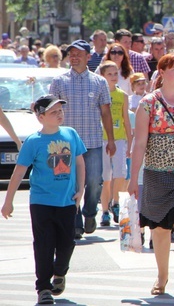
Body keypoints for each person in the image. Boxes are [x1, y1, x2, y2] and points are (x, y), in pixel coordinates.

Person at [1, 95, 86, 305]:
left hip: (67, 201)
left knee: (67, 244)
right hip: (41, 202)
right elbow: (19, 172)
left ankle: (59, 272)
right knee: (44, 245)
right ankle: (43, 288)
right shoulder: (33, 141)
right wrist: (8, 200)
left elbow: (80, 163)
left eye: (60, 111)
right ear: (40, 117)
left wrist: (80, 190)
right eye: (53, 112)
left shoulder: (71, 134)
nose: (59, 115)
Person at [128, 53, 174, 299]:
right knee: (159, 229)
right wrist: (133, 177)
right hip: (156, 174)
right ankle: (162, 276)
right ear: (162, 73)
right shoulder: (148, 102)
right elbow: (139, 143)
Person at [49, 39, 115, 238]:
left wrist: (111, 140)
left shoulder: (99, 82)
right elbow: (52, 110)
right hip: (64, 144)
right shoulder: (59, 81)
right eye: (72, 53)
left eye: (79, 53)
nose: (74, 57)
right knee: (69, 182)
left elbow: (106, 113)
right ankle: (75, 219)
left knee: (95, 181)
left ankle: (90, 212)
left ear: (88, 57)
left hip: (92, 142)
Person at [98, 61, 133, 228]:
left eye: (115, 73)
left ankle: (116, 202)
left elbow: (126, 119)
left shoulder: (122, 95)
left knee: (120, 174)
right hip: (102, 139)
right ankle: (104, 211)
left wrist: (130, 141)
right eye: (109, 74)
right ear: (102, 76)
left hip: (119, 139)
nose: (113, 77)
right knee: (106, 177)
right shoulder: (98, 94)